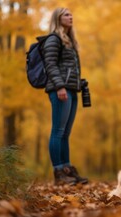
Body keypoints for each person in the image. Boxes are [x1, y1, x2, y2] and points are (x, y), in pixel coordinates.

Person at [42, 7, 88, 185]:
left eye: (71, 14)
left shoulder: (68, 39)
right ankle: (58, 172)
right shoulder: (54, 39)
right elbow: (50, 64)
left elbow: (66, 67)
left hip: (71, 89)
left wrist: (78, 82)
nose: (71, 17)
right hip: (60, 89)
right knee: (58, 131)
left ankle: (67, 169)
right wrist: (60, 86)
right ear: (58, 18)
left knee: (65, 133)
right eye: (66, 15)